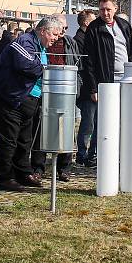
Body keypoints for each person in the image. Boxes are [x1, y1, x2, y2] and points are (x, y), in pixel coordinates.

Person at [0, 15, 62, 191]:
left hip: (25, 101)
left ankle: (22, 172)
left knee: (24, 139)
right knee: (8, 139)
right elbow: (25, 64)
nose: (56, 38)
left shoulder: (40, 46)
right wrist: (46, 69)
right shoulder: (25, 42)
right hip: (6, 98)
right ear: (43, 31)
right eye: (54, 34)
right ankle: (4, 177)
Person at [31, 14, 81, 182]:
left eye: (65, 29)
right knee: (41, 127)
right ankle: (38, 167)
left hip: (65, 89)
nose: (62, 32)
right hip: (44, 89)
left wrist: (76, 86)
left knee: (66, 127)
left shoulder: (69, 42)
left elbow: (77, 64)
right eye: (60, 29)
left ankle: (64, 168)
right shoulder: (43, 43)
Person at [82, 0, 132, 107]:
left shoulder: (124, 26)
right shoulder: (93, 29)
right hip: (106, 82)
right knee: (107, 118)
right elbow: (88, 61)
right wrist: (93, 89)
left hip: (126, 79)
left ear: (115, 8)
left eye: (108, 9)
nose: (105, 13)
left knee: (126, 115)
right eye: (102, 10)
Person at [74, 9, 98, 167]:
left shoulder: (88, 38)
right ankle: (82, 154)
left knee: (94, 122)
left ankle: (91, 154)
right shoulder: (80, 40)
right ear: (86, 23)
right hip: (87, 90)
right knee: (88, 123)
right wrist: (91, 90)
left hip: (92, 87)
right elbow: (87, 67)